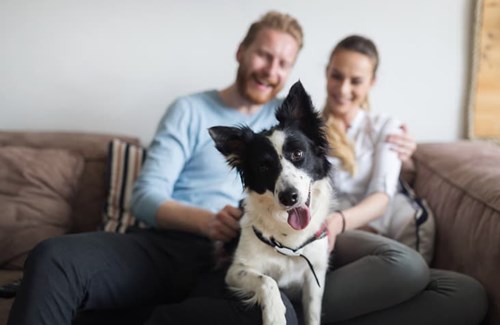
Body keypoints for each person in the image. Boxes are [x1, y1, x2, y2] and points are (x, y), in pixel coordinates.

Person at [6, 11, 478, 325]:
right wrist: (206, 221)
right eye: (263, 54)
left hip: (249, 260)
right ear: (241, 50)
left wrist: (407, 156)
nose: (271, 69)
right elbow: (144, 196)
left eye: (283, 62)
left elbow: (336, 145)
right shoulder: (191, 110)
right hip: (169, 245)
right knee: (54, 257)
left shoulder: (289, 124)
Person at [319, 35, 487, 324]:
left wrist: (341, 220)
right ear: (326, 73)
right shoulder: (306, 131)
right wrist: (334, 225)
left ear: (372, 82)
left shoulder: (386, 127)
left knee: (467, 293)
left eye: (356, 81)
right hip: (333, 240)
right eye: (337, 76)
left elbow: (381, 198)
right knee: (406, 266)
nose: (343, 89)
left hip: (366, 238)